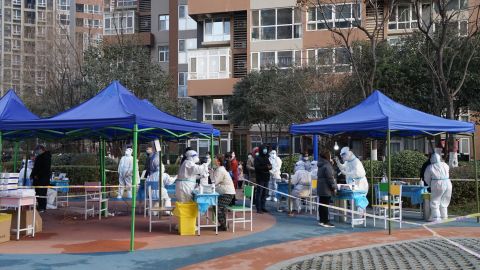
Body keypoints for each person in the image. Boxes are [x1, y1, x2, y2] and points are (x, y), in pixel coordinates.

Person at [424, 153, 452, 221]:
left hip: (437, 183)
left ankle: (435, 217)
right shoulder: (445, 165)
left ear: (431, 159)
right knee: (445, 200)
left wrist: (430, 185)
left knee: (435, 200)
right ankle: (444, 216)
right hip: (448, 182)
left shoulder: (430, 167)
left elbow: (426, 178)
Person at [211, 154, 236, 231]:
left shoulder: (220, 170)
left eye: (215, 158)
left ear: (218, 161)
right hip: (226, 192)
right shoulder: (219, 169)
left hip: (227, 193)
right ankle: (223, 224)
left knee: (217, 206)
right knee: (217, 206)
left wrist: (211, 173)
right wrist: (212, 172)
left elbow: (214, 182)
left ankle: (223, 225)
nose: (213, 160)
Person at [317, 150, 337, 228]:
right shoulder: (327, 165)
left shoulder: (320, 164)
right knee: (325, 205)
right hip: (326, 188)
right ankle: (326, 221)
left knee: (321, 204)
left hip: (321, 187)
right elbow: (330, 178)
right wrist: (334, 187)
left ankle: (322, 220)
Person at [30, 145, 52, 212]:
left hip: (42, 179)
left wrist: (37, 175)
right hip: (38, 178)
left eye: (37, 150)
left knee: (42, 193)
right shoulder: (39, 157)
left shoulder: (46, 157)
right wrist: (32, 175)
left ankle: (42, 207)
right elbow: (36, 167)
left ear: (41, 149)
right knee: (38, 193)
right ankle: (40, 206)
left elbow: (45, 168)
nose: (36, 152)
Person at [254, 145, 272, 214]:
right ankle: (258, 208)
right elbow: (257, 167)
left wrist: (267, 167)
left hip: (266, 177)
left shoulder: (266, 158)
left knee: (265, 193)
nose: (265, 150)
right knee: (259, 193)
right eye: (264, 149)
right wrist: (266, 167)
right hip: (260, 178)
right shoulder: (257, 158)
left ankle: (263, 206)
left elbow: (270, 166)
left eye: (265, 149)